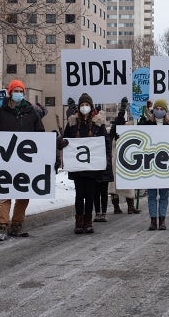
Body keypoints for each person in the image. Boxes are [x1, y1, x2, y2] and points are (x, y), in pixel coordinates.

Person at [0, 79, 45, 241]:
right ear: (10, 92)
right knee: (3, 192)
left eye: (21, 91)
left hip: (25, 160)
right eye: (15, 91)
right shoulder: (0, 112)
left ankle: (17, 224)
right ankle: (1, 226)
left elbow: (40, 134)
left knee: (24, 192)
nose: (18, 94)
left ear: (23, 93)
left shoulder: (31, 112)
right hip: (4, 159)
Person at [61, 93, 111, 234]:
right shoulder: (72, 123)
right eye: (82, 105)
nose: (84, 107)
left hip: (92, 166)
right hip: (77, 167)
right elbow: (65, 139)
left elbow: (105, 141)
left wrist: (106, 157)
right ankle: (79, 221)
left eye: (87, 105)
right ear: (78, 107)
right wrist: (62, 142)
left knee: (90, 194)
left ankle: (88, 221)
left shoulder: (98, 123)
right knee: (79, 195)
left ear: (91, 106)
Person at [138, 99, 169, 230]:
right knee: (152, 195)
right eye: (156, 108)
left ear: (165, 111)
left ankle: (162, 220)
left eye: (161, 108)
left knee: (164, 195)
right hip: (151, 163)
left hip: (165, 164)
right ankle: (153, 220)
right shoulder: (147, 124)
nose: (159, 110)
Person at [93, 106, 114, 222]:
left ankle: (104, 212)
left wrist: (107, 159)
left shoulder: (101, 128)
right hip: (94, 163)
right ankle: (97, 212)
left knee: (103, 191)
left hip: (103, 163)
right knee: (96, 191)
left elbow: (106, 143)